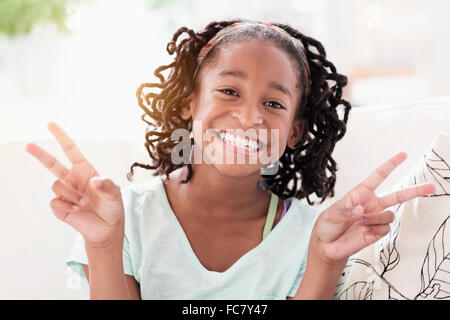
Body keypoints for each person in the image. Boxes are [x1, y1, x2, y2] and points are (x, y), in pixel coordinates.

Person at [25, 19, 435, 300]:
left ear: (293, 131)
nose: (249, 117)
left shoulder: (316, 236)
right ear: (189, 103)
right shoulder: (120, 218)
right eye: (229, 91)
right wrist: (105, 245)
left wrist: (325, 263)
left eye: (273, 102)